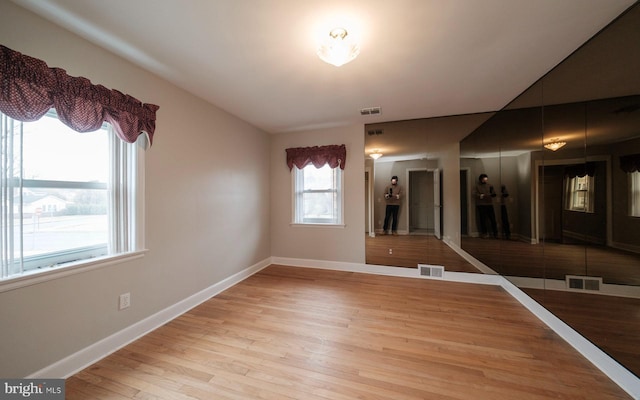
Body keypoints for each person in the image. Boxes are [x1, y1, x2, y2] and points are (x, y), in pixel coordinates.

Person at [473, 173, 498, 238]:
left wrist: (491, 194)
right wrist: (482, 195)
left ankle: (495, 233)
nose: (485, 180)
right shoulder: (477, 186)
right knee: (482, 219)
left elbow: (493, 193)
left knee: (492, 219)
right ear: (481, 179)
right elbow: (475, 194)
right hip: (481, 204)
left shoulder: (490, 185)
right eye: (484, 179)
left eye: (486, 179)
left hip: (489, 204)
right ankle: (484, 233)